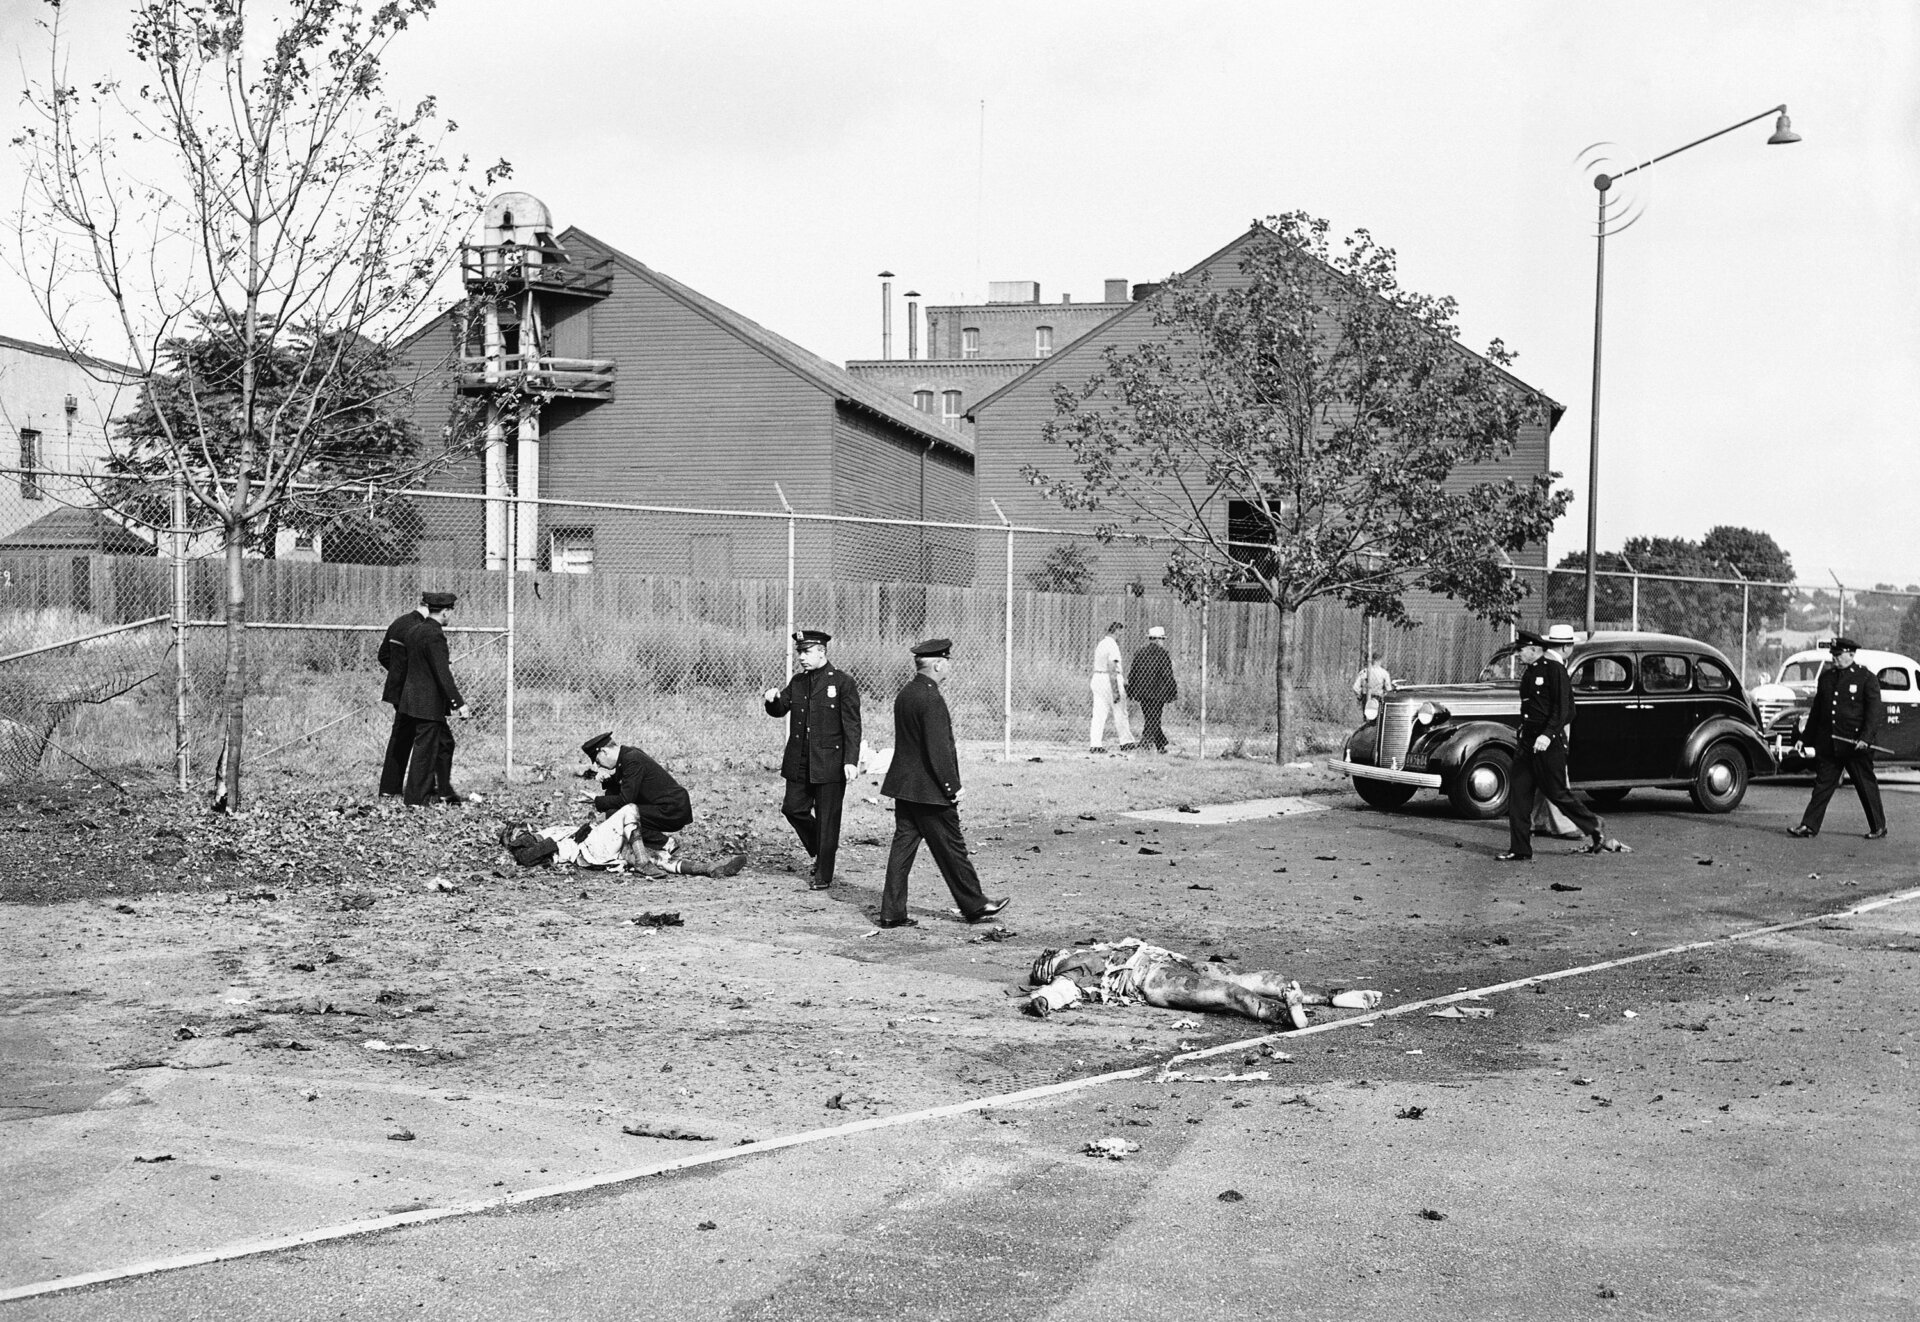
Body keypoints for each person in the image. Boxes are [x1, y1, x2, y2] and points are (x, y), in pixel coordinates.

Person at [877, 638, 1010, 929]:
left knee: (902, 850)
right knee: (952, 847)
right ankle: (975, 904)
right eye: (947, 661)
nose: (948, 665)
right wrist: (952, 786)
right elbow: (938, 749)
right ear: (938, 664)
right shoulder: (932, 698)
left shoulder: (906, 694)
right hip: (930, 790)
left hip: (905, 787)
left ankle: (892, 912)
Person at [501, 732, 743, 875]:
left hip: (671, 809)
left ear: (604, 752)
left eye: (596, 760)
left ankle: (663, 854)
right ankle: (708, 869)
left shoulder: (632, 760)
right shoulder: (541, 838)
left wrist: (597, 798)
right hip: (596, 849)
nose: (597, 766)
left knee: (626, 811)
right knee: (658, 856)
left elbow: (626, 798)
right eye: (522, 831)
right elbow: (529, 854)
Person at [1023, 939, 1383, 1027]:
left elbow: (1057, 990)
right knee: (1236, 987)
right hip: (1150, 975)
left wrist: (1046, 997)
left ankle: (1328, 1000)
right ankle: (1297, 1011)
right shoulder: (1072, 968)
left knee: (1243, 982)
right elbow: (1060, 991)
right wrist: (1044, 1000)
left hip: (1163, 965)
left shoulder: (1090, 951)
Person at [763, 629, 862, 890]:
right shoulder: (798, 682)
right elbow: (780, 708)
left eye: (807, 652)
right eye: (799, 653)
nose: (801, 658)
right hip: (800, 760)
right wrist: (772, 700)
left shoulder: (842, 682)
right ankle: (822, 848)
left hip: (830, 761)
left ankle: (823, 874)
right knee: (793, 808)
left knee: (828, 817)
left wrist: (851, 760)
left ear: (822, 652)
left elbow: (852, 725)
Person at [1500, 625, 1604, 861]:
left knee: (1557, 792)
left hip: (1548, 743)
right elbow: (1531, 709)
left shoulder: (1554, 670)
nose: (1518, 655)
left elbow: (1564, 710)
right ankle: (1520, 849)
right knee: (1519, 795)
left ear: (1534, 650)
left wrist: (1547, 735)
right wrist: (1525, 729)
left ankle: (1593, 825)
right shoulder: (1530, 672)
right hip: (1528, 742)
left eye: (1521, 651)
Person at [1789, 636, 1887, 839]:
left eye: (1838, 654)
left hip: (1855, 746)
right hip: (1831, 745)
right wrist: (1804, 739)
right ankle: (1809, 825)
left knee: (1865, 786)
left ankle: (1878, 826)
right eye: (1833, 654)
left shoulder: (1865, 678)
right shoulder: (1826, 678)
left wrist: (1866, 738)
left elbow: (1873, 713)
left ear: (1851, 655)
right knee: (1822, 786)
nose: (1834, 658)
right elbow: (1817, 713)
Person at [394, 591, 472, 807]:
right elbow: (442, 673)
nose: (450, 616)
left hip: (411, 700)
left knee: (445, 743)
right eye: (450, 613)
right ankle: (416, 799)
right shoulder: (435, 635)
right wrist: (459, 703)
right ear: (445, 612)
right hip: (427, 703)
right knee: (425, 750)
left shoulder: (415, 631)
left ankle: (441, 789)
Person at [375, 596, 430, 798]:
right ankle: (421, 792)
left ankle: (389, 789)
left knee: (400, 738)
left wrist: (399, 675)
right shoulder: (422, 629)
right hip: (416, 692)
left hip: (398, 692)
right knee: (428, 738)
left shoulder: (398, 622)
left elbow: (383, 656)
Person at [1128, 625, 1179, 753]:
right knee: (1154, 718)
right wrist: (1172, 691)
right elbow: (1167, 674)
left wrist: (1131, 690)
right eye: (1162, 639)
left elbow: (1133, 673)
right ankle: (1144, 744)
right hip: (1158, 693)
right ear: (1158, 639)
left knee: (1150, 718)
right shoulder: (1163, 654)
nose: (1162, 642)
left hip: (1142, 693)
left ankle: (1161, 745)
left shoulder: (1140, 652)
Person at [1089, 619, 1134, 752]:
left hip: (1098, 677)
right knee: (1120, 711)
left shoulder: (1101, 644)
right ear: (1116, 631)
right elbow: (1112, 666)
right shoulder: (1112, 645)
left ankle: (1095, 744)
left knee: (1098, 713)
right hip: (1109, 678)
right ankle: (1126, 741)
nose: (1121, 636)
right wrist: (1115, 690)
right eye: (1120, 632)